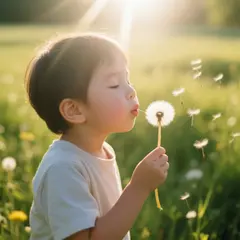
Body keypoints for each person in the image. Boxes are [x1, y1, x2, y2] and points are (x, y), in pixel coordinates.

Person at [25, 33, 169, 240]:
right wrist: (139, 187)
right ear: (74, 110)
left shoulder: (102, 151)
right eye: (114, 84)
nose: (131, 91)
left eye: (127, 80)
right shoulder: (63, 168)